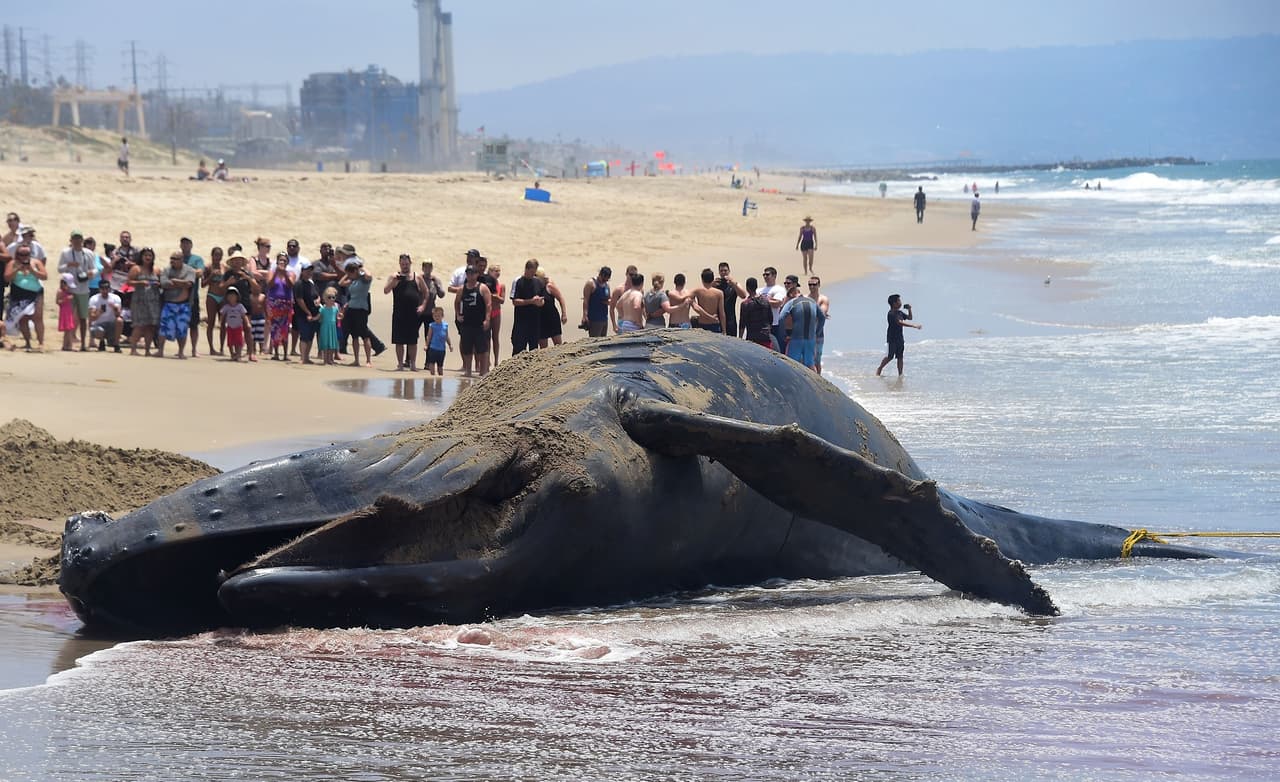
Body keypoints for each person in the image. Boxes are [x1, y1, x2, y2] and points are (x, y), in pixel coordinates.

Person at [385, 253, 428, 370]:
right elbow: (386, 290)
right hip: (399, 313)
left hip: (413, 314)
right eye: (402, 264)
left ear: (410, 263)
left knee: (412, 341)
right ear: (399, 264)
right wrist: (393, 281)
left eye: (406, 264)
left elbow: (426, 292)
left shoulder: (417, 277)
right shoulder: (394, 276)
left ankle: (413, 364)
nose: (405, 266)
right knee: (399, 341)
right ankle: (400, 364)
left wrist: (423, 306)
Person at [57, 229, 95, 351]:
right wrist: (69, 265)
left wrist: (90, 273)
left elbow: (94, 269)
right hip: (70, 289)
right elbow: (59, 269)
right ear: (71, 240)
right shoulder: (66, 252)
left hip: (84, 289)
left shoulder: (88, 253)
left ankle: (83, 344)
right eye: (75, 239)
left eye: (79, 239)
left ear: (82, 240)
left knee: (83, 317)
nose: (77, 241)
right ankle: (67, 343)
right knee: (69, 316)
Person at [4, 246, 45, 350]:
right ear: (17, 254)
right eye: (21, 254)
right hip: (19, 294)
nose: (24, 257)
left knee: (38, 318)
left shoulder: (36, 262)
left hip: (36, 294)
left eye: (26, 254)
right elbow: (7, 277)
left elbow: (44, 276)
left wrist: (32, 270)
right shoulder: (12, 263)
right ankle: (27, 342)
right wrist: (17, 269)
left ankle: (41, 343)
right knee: (23, 319)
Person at [159, 250, 198, 358]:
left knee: (182, 328)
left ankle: (181, 352)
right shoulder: (166, 270)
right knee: (163, 328)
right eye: (171, 258)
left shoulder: (190, 270)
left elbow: (189, 284)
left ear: (181, 260)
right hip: (168, 303)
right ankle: (160, 351)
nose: (172, 261)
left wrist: (175, 281)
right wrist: (181, 283)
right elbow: (164, 283)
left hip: (183, 305)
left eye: (175, 259)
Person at [454, 265, 492, 377]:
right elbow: (456, 302)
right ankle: (468, 370)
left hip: (479, 323)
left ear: (477, 274)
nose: (470, 275)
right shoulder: (462, 289)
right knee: (467, 348)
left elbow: (488, 304)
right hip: (466, 323)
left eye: (472, 273)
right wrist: (458, 315)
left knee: (482, 348)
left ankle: (484, 371)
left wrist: (487, 319)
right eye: (468, 273)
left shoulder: (482, 288)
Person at [339, 256, 376, 367]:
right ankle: (356, 360)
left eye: (350, 273)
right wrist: (348, 274)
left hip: (361, 309)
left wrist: (361, 268)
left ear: (355, 271)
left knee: (364, 334)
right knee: (354, 335)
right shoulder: (352, 280)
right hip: (351, 308)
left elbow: (370, 275)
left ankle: (368, 360)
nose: (349, 276)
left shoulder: (364, 280)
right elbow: (341, 283)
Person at [780, 279, 824, 370]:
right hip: (811, 338)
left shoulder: (791, 302)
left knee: (792, 364)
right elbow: (822, 317)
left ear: (792, 295)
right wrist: (817, 332)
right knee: (810, 364)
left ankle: (792, 383)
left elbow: (781, 318)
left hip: (796, 338)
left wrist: (784, 334)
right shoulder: (812, 302)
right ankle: (815, 383)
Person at [876, 294, 922, 377]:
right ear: (894, 303)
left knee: (900, 357)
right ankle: (879, 368)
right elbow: (899, 323)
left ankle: (900, 374)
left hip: (900, 338)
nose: (900, 303)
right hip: (892, 338)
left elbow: (910, 317)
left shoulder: (900, 312)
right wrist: (913, 326)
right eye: (899, 301)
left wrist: (910, 309)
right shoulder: (891, 314)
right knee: (890, 356)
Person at [127, 248, 162, 356]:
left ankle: (147, 350)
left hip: (154, 301)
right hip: (139, 300)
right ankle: (133, 349)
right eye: (145, 255)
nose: (147, 257)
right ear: (141, 257)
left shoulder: (156, 270)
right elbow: (128, 282)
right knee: (139, 325)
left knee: (150, 326)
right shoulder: (136, 268)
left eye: (150, 256)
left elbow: (162, 282)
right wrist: (140, 282)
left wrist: (159, 284)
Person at [509, 258, 546, 354]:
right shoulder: (518, 281)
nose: (533, 274)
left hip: (534, 322)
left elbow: (543, 300)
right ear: (527, 269)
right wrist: (531, 301)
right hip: (521, 323)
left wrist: (539, 303)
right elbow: (515, 301)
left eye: (535, 271)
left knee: (534, 350)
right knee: (518, 349)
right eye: (532, 271)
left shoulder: (538, 282)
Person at [265, 253, 295, 361]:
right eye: (280, 260)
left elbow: (291, 285)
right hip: (274, 304)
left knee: (285, 328)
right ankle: (276, 353)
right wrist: (277, 273)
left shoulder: (291, 273)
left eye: (284, 261)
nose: (282, 262)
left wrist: (284, 274)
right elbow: (269, 284)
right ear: (277, 262)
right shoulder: (271, 272)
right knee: (274, 328)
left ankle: (285, 354)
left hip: (286, 304)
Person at [178, 237, 205, 357]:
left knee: (193, 324)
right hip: (178, 296)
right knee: (181, 323)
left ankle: (194, 349)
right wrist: (191, 272)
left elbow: (200, 272)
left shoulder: (197, 259)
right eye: (183, 243)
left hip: (192, 296)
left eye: (187, 243)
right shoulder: (177, 258)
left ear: (191, 245)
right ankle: (180, 350)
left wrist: (184, 272)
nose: (185, 246)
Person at [293, 261, 322, 364]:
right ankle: (302, 357)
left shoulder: (311, 283)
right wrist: (307, 312)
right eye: (307, 270)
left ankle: (306, 357)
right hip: (302, 314)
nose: (309, 272)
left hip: (314, 314)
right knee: (304, 335)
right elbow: (299, 300)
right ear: (302, 271)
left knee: (310, 336)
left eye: (310, 270)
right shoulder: (299, 284)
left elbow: (317, 295)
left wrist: (318, 299)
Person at [203, 246, 228, 355]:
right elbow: (203, 284)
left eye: (219, 255)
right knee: (211, 322)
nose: (217, 257)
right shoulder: (208, 267)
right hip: (212, 296)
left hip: (222, 297)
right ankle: (211, 348)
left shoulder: (224, 268)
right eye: (215, 255)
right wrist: (211, 276)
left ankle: (222, 348)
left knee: (223, 323)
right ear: (212, 255)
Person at [535, 267, 568, 348]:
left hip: (552, 318)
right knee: (543, 348)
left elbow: (560, 298)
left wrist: (564, 314)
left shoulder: (549, 286)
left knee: (558, 346)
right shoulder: (534, 287)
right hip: (540, 319)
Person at [87, 279, 123, 352]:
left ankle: (116, 345)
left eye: (107, 288)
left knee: (119, 320)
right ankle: (102, 342)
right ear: (99, 289)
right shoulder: (94, 299)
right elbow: (91, 317)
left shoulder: (115, 298)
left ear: (109, 289)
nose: (105, 290)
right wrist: (99, 312)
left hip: (111, 325)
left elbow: (118, 315)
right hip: (99, 325)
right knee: (98, 330)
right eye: (102, 288)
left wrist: (114, 308)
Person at [713, 262, 746, 338]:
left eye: (725, 270)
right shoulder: (716, 284)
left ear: (729, 271)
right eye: (721, 271)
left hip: (731, 319)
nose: (723, 272)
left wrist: (734, 285)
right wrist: (712, 285)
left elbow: (743, 295)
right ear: (719, 272)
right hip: (718, 319)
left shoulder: (734, 284)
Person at [738, 277, 773, 347]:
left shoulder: (745, 304)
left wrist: (740, 339)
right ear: (756, 287)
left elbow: (742, 324)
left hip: (752, 338)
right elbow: (771, 319)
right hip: (765, 336)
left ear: (747, 288)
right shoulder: (766, 301)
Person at [759, 267, 787, 350]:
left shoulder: (779, 289)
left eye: (767, 274)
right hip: (761, 324)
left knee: (777, 348)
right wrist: (768, 300)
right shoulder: (759, 290)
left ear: (774, 276)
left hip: (775, 323)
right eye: (764, 275)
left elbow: (777, 304)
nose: (765, 276)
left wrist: (762, 300)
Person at [807, 277, 830, 374]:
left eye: (814, 284)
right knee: (807, 360)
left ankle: (819, 380)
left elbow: (822, 314)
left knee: (817, 360)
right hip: (806, 333)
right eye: (810, 284)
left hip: (818, 333)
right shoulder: (805, 297)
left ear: (819, 285)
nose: (812, 287)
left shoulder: (823, 299)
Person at [581, 266, 611, 337]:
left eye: (607, 280)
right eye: (604, 279)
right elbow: (586, 300)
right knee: (594, 340)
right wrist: (585, 315)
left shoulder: (607, 286)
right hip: (594, 318)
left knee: (603, 340)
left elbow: (608, 298)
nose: (605, 281)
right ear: (600, 274)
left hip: (604, 318)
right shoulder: (591, 284)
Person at [220, 288, 249, 362]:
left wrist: (247, 323)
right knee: (230, 342)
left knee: (239, 342)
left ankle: (238, 355)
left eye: (233, 296)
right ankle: (232, 354)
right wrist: (221, 322)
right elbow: (222, 315)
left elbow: (244, 315)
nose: (231, 298)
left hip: (238, 327)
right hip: (229, 327)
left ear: (237, 297)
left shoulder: (240, 306)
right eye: (229, 296)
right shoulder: (226, 307)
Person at [487, 263, 506, 366]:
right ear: (489, 272)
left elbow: (502, 300)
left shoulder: (501, 285)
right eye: (495, 270)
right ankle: (487, 360)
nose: (497, 273)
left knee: (495, 337)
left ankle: (496, 361)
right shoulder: (486, 284)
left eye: (499, 271)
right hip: (487, 312)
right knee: (487, 337)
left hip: (496, 312)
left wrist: (494, 296)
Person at [424, 306, 451, 375]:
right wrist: (426, 345)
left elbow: (446, 336)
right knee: (432, 363)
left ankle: (440, 377)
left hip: (442, 349)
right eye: (435, 316)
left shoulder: (445, 325)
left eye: (438, 316)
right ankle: (432, 375)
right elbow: (429, 336)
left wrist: (450, 345)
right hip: (433, 348)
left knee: (440, 365)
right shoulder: (432, 325)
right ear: (433, 316)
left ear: (442, 316)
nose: (437, 317)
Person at [317, 288, 340, 365]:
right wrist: (313, 318)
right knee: (325, 344)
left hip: (332, 328)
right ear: (325, 299)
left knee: (332, 344)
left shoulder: (335, 309)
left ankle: (330, 359)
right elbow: (319, 317)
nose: (332, 299)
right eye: (329, 297)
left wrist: (341, 317)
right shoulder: (323, 308)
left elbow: (337, 318)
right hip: (325, 328)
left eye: (333, 297)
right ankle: (325, 359)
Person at [56, 274, 77, 351]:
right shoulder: (60, 291)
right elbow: (58, 302)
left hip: (69, 312)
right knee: (68, 330)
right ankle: (69, 346)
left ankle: (66, 345)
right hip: (64, 312)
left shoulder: (68, 291)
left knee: (69, 329)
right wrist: (66, 299)